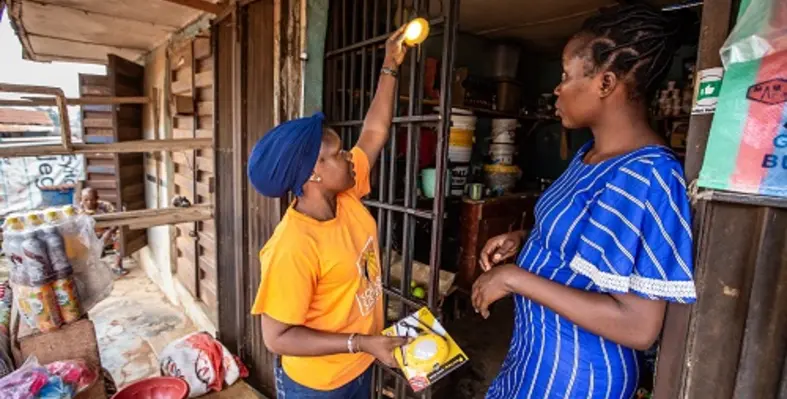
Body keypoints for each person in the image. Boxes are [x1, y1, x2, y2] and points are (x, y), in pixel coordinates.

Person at [472, 5, 696, 398]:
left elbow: (638, 327)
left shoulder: (647, 174)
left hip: (577, 375)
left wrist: (512, 278)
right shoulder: (590, 156)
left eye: (565, 76)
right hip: (535, 354)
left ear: (606, 82)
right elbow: (591, 241)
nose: (557, 89)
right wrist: (525, 239)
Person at [247, 27, 410, 398]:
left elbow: (374, 131)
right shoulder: (293, 245)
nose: (349, 156)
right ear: (314, 172)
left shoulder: (347, 195)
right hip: (318, 385)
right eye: (338, 154)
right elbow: (277, 337)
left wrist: (389, 64)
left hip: (360, 365)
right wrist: (361, 343)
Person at [79, 187, 128, 276]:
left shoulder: (105, 206)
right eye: (86, 200)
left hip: (107, 234)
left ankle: (117, 266)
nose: (89, 203)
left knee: (120, 235)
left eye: (92, 200)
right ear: (81, 199)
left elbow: (117, 220)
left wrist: (110, 231)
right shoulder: (77, 210)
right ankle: (88, 269)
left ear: (97, 198)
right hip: (89, 236)